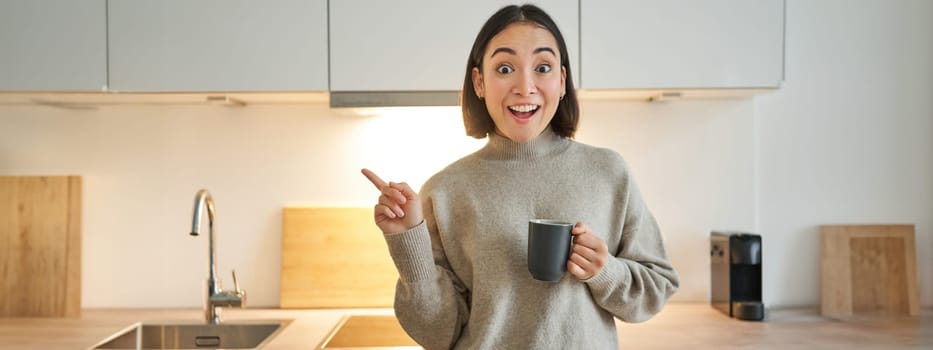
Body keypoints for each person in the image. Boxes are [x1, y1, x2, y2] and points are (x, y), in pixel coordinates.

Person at [361, 4, 678, 349]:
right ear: (479, 82)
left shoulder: (609, 173)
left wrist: (604, 270)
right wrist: (409, 241)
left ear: (561, 81)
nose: (525, 87)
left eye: (542, 67)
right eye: (505, 68)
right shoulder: (444, 191)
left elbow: (656, 288)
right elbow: (439, 333)